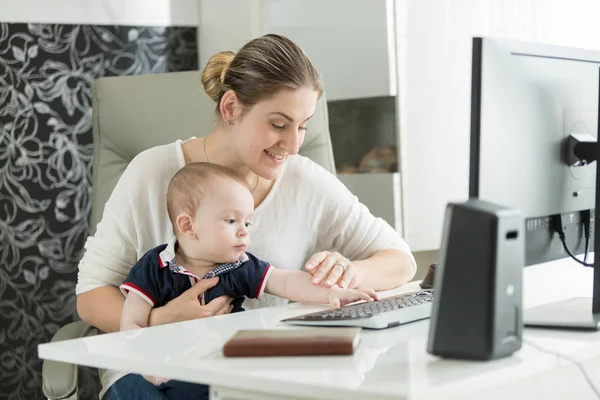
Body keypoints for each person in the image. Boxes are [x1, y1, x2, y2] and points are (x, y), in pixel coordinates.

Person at [76, 33, 417, 400]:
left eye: (302, 126)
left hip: (255, 375)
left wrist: (348, 272)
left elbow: (400, 261)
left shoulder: (305, 181)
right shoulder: (152, 173)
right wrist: (161, 322)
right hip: (150, 372)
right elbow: (91, 295)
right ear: (230, 108)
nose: (294, 144)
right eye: (278, 124)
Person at [118, 162, 379, 399]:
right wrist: (150, 369)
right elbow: (131, 323)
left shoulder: (239, 266)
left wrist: (332, 293)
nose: (244, 231)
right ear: (188, 226)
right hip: (173, 370)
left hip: (232, 368)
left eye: (248, 222)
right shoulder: (155, 266)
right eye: (231, 221)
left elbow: (286, 282)